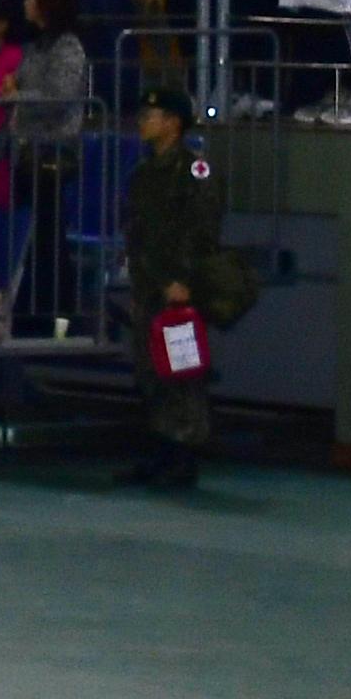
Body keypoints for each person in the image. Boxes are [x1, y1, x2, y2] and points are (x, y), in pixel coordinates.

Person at [120, 85, 226, 488]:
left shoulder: (194, 171)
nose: (144, 123)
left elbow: (203, 230)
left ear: (173, 124)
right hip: (150, 284)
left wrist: (185, 281)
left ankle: (184, 455)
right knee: (150, 370)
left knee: (181, 372)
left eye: (153, 116)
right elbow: (137, 231)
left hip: (178, 289)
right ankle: (160, 451)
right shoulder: (144, 173)